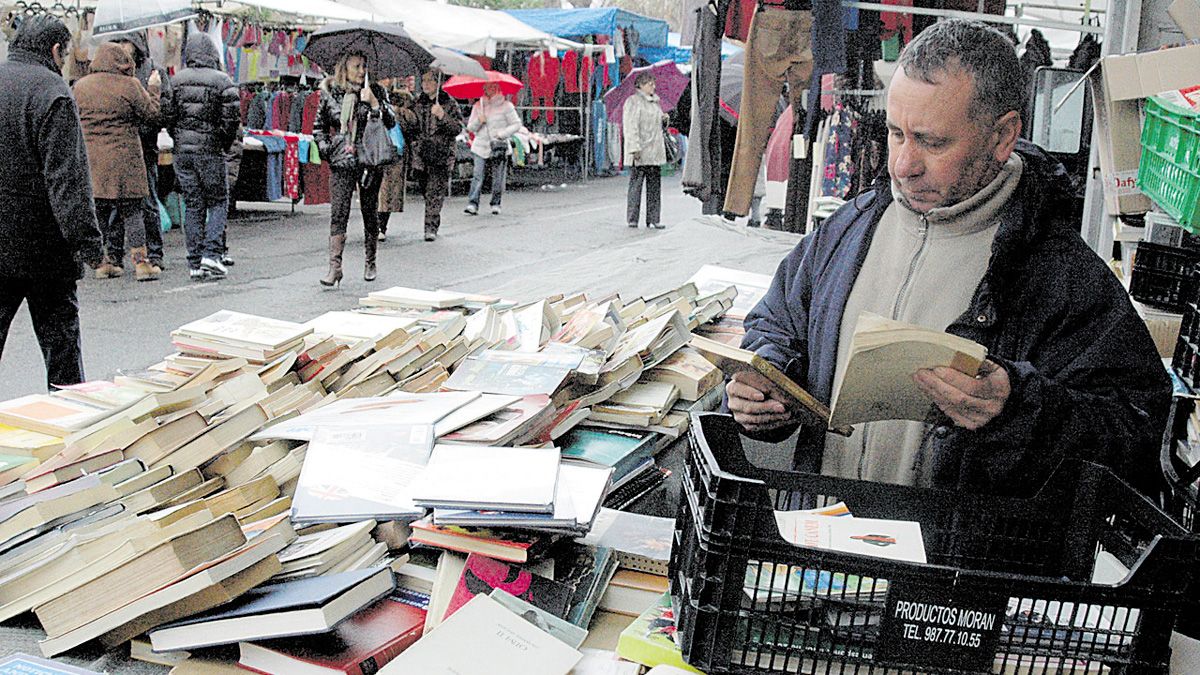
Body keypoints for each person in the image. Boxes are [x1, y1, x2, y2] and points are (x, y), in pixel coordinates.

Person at [725, 19, 1170, 497]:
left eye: (932, 142)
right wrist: (770, 382)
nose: (903, 165)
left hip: (948, 566)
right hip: (820, 552)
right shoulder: (850, 228)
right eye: (896, 133)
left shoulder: (1064, 277)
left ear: (1002, 137)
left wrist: (1016, 408)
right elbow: (777, 321)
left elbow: (1135, 433)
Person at [0, 15, 103, 388]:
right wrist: (88, 242)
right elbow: (67, 180)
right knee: (61, 354)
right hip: (46, 248)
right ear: (56, 50)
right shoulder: (52, 92)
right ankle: (67, 432)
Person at [73, 42, 162, 282]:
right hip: (126, 159)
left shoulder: (80, 87)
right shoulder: (130, 85)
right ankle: (142, 264)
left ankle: (103, 262)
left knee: (98, 213)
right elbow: (152, 114)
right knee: (132, 211)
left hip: (93, 161)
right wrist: (154, 89)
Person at [313, 52, 396, 286]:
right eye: (356, 66)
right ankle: (334, 267)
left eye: (364, 66)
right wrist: (327, 149)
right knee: (338, 214)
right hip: (341, 161)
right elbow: (318, 127)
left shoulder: (376, 90)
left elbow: (391, 122)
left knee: (370, 212)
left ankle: (370, 261)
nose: (361, 71)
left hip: (369, 160)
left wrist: (375, 104)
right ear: (344, 68)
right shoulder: (331, 92)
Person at [169, 34, 239, 281]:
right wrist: (221, 142)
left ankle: (194, 261)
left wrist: (179, 138)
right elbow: (232, 121)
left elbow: (167, 116)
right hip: (210, 151)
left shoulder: (176, 80)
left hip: (183, 152)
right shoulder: (223, 81)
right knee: (218, 201)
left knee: (193, 203)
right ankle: (212, 253)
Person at [106, 31, 173, 273]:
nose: (123, 47)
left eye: (127, 42)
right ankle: (113, 255)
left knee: (146, 202)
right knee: (115, 204)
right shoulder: (110, 71)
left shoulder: (153, 71)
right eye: (119, 42)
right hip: (118, 147)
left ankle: (154, 254)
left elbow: (164, 109)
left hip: (144, 146)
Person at [409, 69, 463, 242]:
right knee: (426, 189)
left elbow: (457, 128)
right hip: (422, 153)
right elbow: (413, 125)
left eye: (429, 80)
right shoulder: (418, 102)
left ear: (438, 83)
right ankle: (432, 218)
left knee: (435, 191)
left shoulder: (448, 102)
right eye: (423, 80)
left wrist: (442, 116)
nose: (425, 84)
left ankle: (430, 226)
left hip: (441, 154)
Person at [464, 82, 520, 217]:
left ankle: (496, 203)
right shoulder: (478, 106)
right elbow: (470, 127)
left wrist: (502, 134)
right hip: (480, 145)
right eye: (488, 87)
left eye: (493, 86)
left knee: (498, 177)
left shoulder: (506, 106)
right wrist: (479, 120)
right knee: (477, 175)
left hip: (498, 145)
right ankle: (473, 203)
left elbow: (516, 124)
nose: (490, 89)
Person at [622, 72, 669, 229]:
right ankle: (632, 218)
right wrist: (634, 148)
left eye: (653, 84)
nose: (653, 87)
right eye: (650, 84)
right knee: (636, 185)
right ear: (641, 85)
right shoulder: (633, 102)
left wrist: (664, 120)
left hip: (655, 150)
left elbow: (658, 126)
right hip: (641, 150)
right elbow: (631, 127)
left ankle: (654, 218)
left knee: (654, 186)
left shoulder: (656, 103)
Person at [377, 76, 417, 243]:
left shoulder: (403, 99)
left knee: (388, 191)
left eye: (387, 78)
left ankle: (381, 226)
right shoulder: (369, 95)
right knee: (375, 188)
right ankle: (374, 224)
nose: (385, 81)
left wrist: (397, 112)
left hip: (395, 150)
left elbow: (413, 126)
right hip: (374, 149)